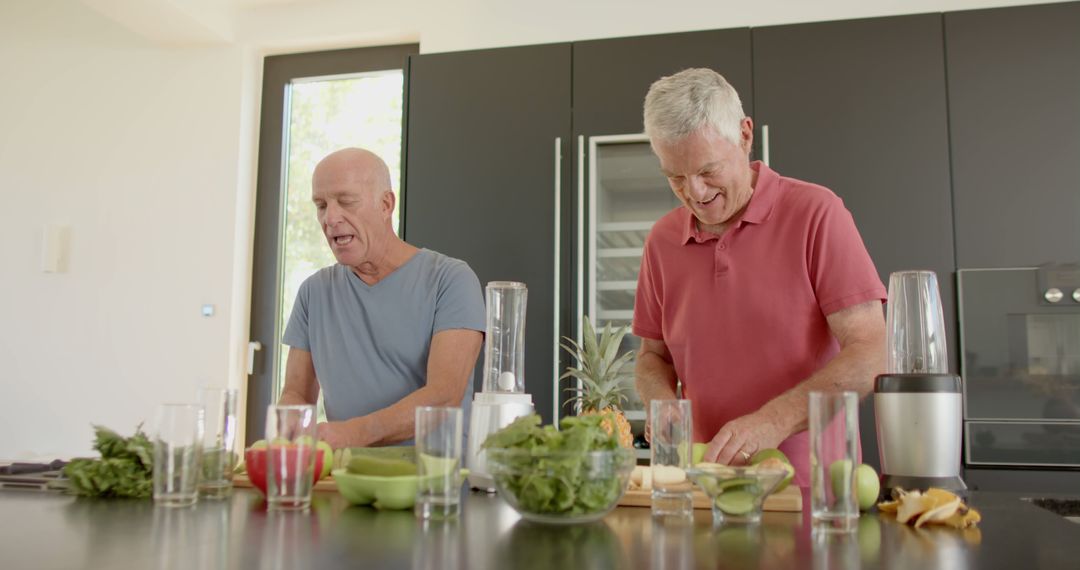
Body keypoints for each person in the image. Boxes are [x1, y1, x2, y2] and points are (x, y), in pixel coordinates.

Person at [633, 68, 886, 486]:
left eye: (707, 170)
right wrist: (661, 402)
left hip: (816, 491)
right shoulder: (662, 241)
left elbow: (872, 351)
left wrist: (774, 421)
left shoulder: (816, 214)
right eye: (675, 177)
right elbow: (652, 357)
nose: (695, 192)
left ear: (745, 135)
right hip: (706, 485)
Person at [278, 148, 484, 449]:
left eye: (346, 201)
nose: (331, 217)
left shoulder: (450, 279)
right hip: (346, 481)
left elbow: (444, 395)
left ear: (385, 204)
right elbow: (295, 393)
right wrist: (290, 424)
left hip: (434, 486)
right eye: (321, 205)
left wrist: (351, 435)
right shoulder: (313, 292)